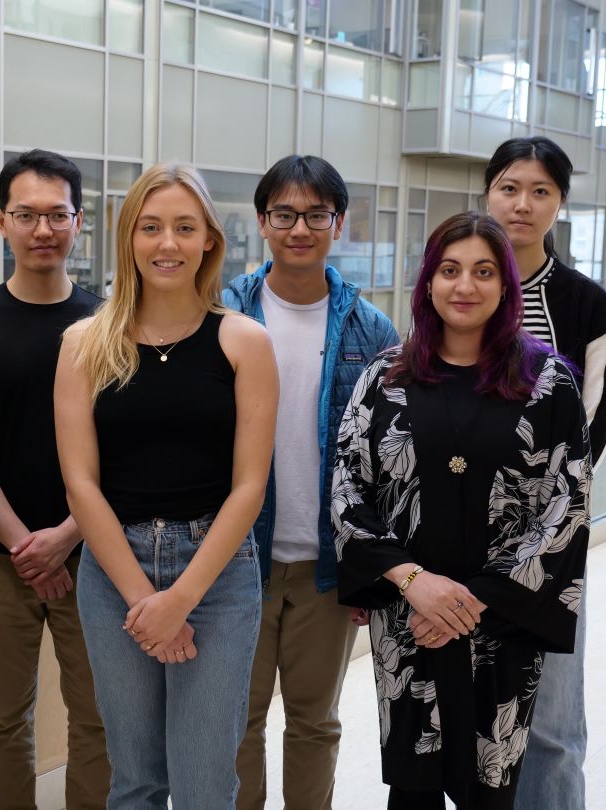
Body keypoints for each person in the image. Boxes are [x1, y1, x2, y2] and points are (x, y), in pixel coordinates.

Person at [332, 212, 593, 809]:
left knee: (490, 787)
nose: (464, 286)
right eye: (449, 271)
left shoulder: (547, 383)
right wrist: (416, 584)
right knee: (413, 787)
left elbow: (566, 504)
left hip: (500, 622)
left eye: (482, 272)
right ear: (428, 281)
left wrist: (470, 601)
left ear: (505, 286)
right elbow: (349, 491)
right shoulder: (386, 376)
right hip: (407, 618)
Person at [54, 162, 279, 809]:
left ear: (209, 238)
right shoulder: (83, 345)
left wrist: (180, 598)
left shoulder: (244, 343)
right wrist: (144, 600)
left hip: (218, 573)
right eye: (150, 227)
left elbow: (249, 488)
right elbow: (80, 484)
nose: (167, 243)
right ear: (128, 238)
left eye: (184, 227)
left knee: (206, 783)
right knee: (136, 780)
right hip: (112, 569)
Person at [225, 154, 399, 810]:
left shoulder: (370, 328)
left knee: (314, 724)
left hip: (328, 565)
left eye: (316, 215)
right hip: (236, 561)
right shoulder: (224, 313)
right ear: (263, 222)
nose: (300, 228)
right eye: (285, 215)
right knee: (236, 725)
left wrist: (371, 570)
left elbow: (387, 459)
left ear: (339, 223)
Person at [0, 149, 109, 810]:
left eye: (57, 215)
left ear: (79, 220)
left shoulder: (107, 325)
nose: (44, 229)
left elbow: (119, 447)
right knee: (5, 718)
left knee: (97, 717)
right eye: (27, 214)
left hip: (94, 555)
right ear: (1, 221)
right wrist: (24, 546)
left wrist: (67, 537)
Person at [483, 136, 606, 810]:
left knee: (555, 726)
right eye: (510, 187)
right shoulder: (456, 284)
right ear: (487, 193)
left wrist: (539, 537)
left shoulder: (585, 304)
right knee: (473, 717)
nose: (523, 204)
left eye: (540, 191)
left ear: (559, 203)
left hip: (555, 546)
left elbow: (593, 433)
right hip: (460, 544)